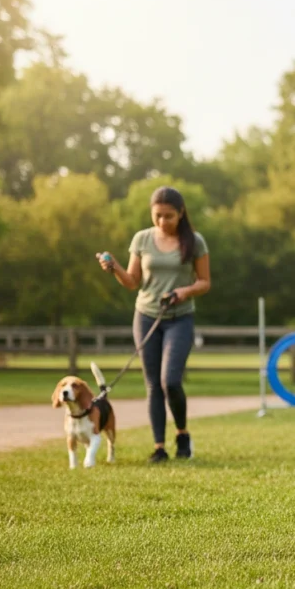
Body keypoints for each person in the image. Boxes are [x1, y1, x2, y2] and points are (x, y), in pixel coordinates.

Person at [98, 186, 211, 462]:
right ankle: (159, 447)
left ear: (181, 213)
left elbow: (205, 282)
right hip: (147, 315)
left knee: (170, 381)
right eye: (157, 215)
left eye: (169, 216)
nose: (162, 221)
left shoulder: (195, 241)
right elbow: (132, 282)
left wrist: (181, 292)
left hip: (180, 317)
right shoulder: (142, 239)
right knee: (152, 385)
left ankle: (182, 435)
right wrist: (114, 269)